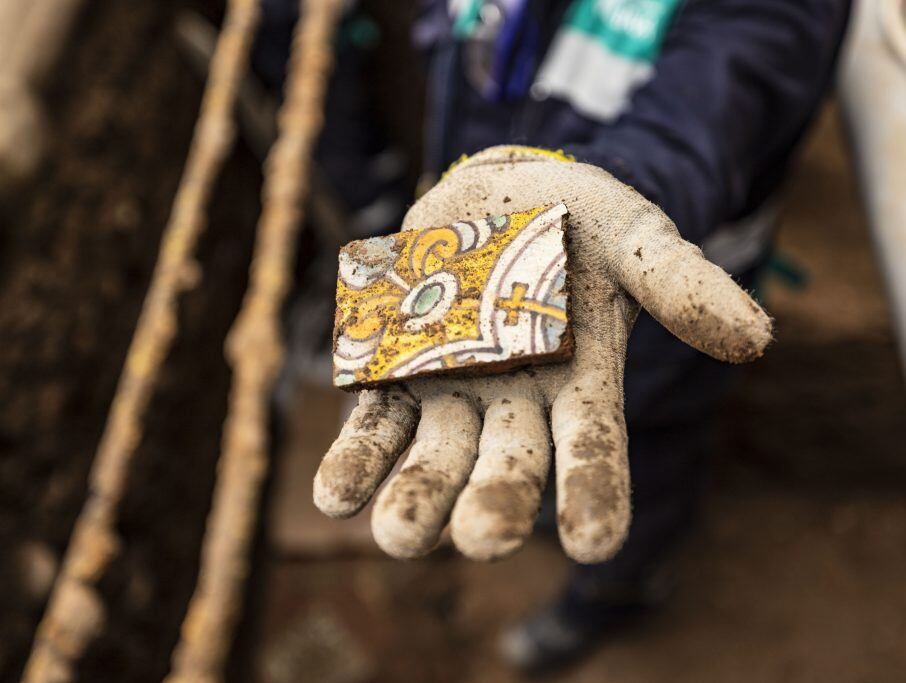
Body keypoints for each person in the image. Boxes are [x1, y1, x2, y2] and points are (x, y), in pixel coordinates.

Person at [254, 0, 851, 673]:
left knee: (636, 447)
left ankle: (617, 590)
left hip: (646, 296)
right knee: (531, 442)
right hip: (480, 234)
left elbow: (711, 106)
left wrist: (592, 194)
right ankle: (560, 524)